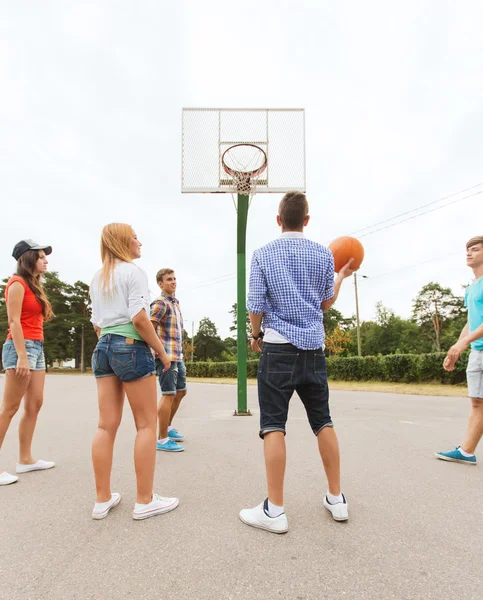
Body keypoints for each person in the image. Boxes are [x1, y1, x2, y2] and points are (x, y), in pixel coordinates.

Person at [239, 191, 355, 534]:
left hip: (277, 349)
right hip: (313, 350)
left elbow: (255, 304)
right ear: (306, 220)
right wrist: (340, 278)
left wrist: (256, 335)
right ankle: (336, 498)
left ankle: (275, 510)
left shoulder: (263, 254)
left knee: (274, 425)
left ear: (279, 220)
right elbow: (324, 304)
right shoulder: (323, 253)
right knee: (323, 421)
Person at [89, 223, 179, 520]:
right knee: (145, 425)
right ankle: (144, 500)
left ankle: (102, 499)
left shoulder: (98, 277)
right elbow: (140, 319)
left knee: (105, 425)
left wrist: (111, 341)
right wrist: (162, 352)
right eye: (136, 237)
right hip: (130, 345)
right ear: (124, 241)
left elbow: (97, 324)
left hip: (103, 348)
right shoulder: (134, 273)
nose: (140, 241)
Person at [0, 239, 56, 486]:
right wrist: (22, 356)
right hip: (20, 348)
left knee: (35, 404)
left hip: (37, 347)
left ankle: (25, 459)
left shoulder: (34, 286)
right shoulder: (17, 283)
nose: (46, 260)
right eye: (41, 256)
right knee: (9, 408)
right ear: (28, 258)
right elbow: (14, 322)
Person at [436, 236, 483, 465]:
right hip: (477, 351)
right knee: (477, 403)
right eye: (467, 250)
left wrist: (463, 343)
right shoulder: (471, 288)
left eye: (475, 249)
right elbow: (470, 321)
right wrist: (456, 347)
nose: (469, 253)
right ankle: (467, 451)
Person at [150, 269, 186, 452]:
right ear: (160, 283)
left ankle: (168, 427)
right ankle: (162, 439)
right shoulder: (160, 303)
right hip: (165, 356)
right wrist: (156, 352)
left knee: (181, 391)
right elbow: (150, 328)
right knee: (168, 394)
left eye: (174, 278)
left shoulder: (175, 303)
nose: (173, 282)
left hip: (177, 355)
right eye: (169, 279)